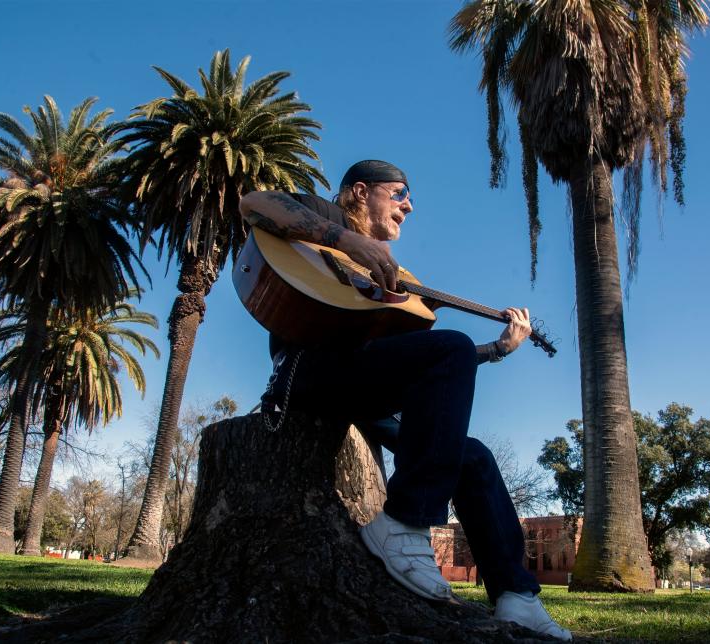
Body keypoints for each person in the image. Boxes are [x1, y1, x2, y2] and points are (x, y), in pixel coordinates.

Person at [239, 160, 571, 641]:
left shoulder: (390, 277)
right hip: (308, 371)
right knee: (449, 348)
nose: (408, 206)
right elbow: (255, 203)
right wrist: (347, 240)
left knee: (473, 456)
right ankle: (402, 523)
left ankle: (516, 596)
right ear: (358, 192)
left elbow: (438, 365)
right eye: (399, 194)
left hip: (363, 386)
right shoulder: (320, 214)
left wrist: (499, 349)